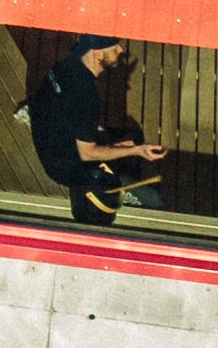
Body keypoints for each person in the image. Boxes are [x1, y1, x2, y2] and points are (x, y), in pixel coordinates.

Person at [23, 38, 166, 229]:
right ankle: (125, 186)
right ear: (97, 53)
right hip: (69, 169)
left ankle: (124, 166)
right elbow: (87, 153)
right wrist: (135, 151)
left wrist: (109, 140)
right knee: (154, 200)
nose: (121, 49)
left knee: (130, 139)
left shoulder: (66, 66)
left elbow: (69, 113)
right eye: (114, 47)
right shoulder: (87, 96)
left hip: (50, 143)